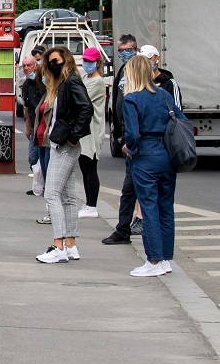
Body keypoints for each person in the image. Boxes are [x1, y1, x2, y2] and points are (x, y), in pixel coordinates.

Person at [121, 54, 180, 276]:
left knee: (149, 208)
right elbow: (181, 120)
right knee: (166, 208)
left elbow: (132, 134)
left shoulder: (131, 99)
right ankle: (165, 259)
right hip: (167, 156)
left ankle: (153, 260)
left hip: (145, 156)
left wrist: (130, 149)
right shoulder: (165, 95)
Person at [35, 45, 93, 263]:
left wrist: (74, 135)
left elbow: (86, 107)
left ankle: (58, 245)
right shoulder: (64, 82)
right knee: (68, 197)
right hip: (64, 143)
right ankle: (70, 245)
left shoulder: (71, 82)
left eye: (56, 61)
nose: (52, 65)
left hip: (64, 145)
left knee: (51, 194)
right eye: (49, 62)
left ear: (66, 60)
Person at [102, 35, 142, 246]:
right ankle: (123, 229)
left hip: (136, 141)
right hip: (127, 136)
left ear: (136, 50)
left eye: (128, 50)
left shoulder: (139, 74)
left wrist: (131, 142)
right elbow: (117, 102)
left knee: (134, 189)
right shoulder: (122, 71)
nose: (124, 54)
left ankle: (128, 228)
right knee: (129, 190)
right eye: (121, 50)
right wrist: (118, 134)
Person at [77, 46, 108, 218]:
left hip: (92, 129)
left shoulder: (98, 81)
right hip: (84, 130)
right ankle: (88, 202)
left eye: (89, 61)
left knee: (90, 167)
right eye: (85, 60)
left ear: (97, 62)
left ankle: (92, 205)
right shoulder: (84, 78)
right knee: (83, 166)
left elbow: (81, 99)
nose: (86, 64)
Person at [20, 53, 46, 193]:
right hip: (34, 126)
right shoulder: (26, 84)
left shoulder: (43, 82)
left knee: (43, 156)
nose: (26, 68)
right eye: (24, 66)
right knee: (33, 157)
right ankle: (39, 184)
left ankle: (43, 186)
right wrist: (28, 127)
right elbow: (26, 107)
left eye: (29, 65)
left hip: (43, 125)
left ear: (35, 66)